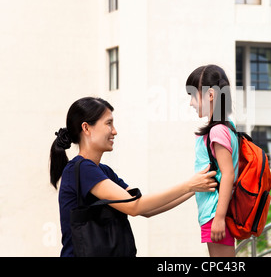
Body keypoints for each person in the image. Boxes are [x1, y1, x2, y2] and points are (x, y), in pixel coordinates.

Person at [50, 96, 217, 257]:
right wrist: (190, 185)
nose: (114, 131)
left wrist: (198, 187)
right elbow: (134, 206)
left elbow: (147, 209)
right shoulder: (82, 169)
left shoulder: (103, 171)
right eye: (109, 123)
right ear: (86, 128)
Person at [185, 64, 239, 257]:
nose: (191, 103)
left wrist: (219, 218)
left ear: (210, 95)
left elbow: (228, 174)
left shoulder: (217, 130)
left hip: (215, 213)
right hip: (213, 213)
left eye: (193, 95)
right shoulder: (226, 126)